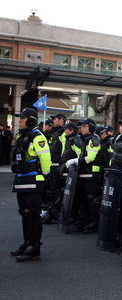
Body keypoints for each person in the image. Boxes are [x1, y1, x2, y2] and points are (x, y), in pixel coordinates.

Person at [10, 108, 51, 262]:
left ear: (31, 119)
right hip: (21, 180)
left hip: (33, 180)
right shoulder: (22, 135)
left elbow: (45, 159)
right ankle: (27, 242)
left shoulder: (37, 136)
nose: (20, 120)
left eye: (23, 118)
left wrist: (45, 174)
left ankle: (34, 247)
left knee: (33, 215)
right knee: (25, 213)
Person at [65, 118, 101, 233]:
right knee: (83, 198)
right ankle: (84, 220)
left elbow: (91, 158)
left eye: (85, 126)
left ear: (91, 127)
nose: (82, 128)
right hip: (83, 173)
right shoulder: (84, 139)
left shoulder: (94, 139)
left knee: (90, 198)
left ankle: (93, 222)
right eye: (81, 126)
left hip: (91, 174)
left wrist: (75, 161)